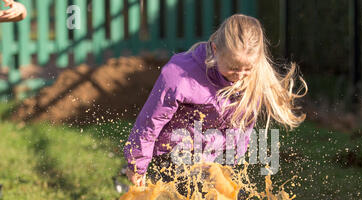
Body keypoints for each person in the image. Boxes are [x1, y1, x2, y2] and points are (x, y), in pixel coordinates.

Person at [124, 14, 307, 189]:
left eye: (247, 69)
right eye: (233, 68)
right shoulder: (180, 75)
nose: (240, 75)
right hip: (171, 154)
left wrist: (231, 166)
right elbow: (150, 122)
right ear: (215, 49)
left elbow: (242, 127)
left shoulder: (253, 80)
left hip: (212, 159)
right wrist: (137, 164)